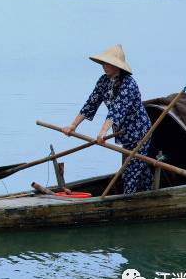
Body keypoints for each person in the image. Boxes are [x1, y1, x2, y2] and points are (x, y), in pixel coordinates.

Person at [62, 44, 153, 194]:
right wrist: (73, 126)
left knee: (130, 171)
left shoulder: (129, 84)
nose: (104, 66)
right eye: (103, 63)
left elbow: (117, 110)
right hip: (123, 134)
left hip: (139, 134)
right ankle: (149, 193)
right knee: (137, 168)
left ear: (117, 66)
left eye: (108, 63)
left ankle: (127, 201)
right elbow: (91, 103)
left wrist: (103, 131)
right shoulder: (104, 81)